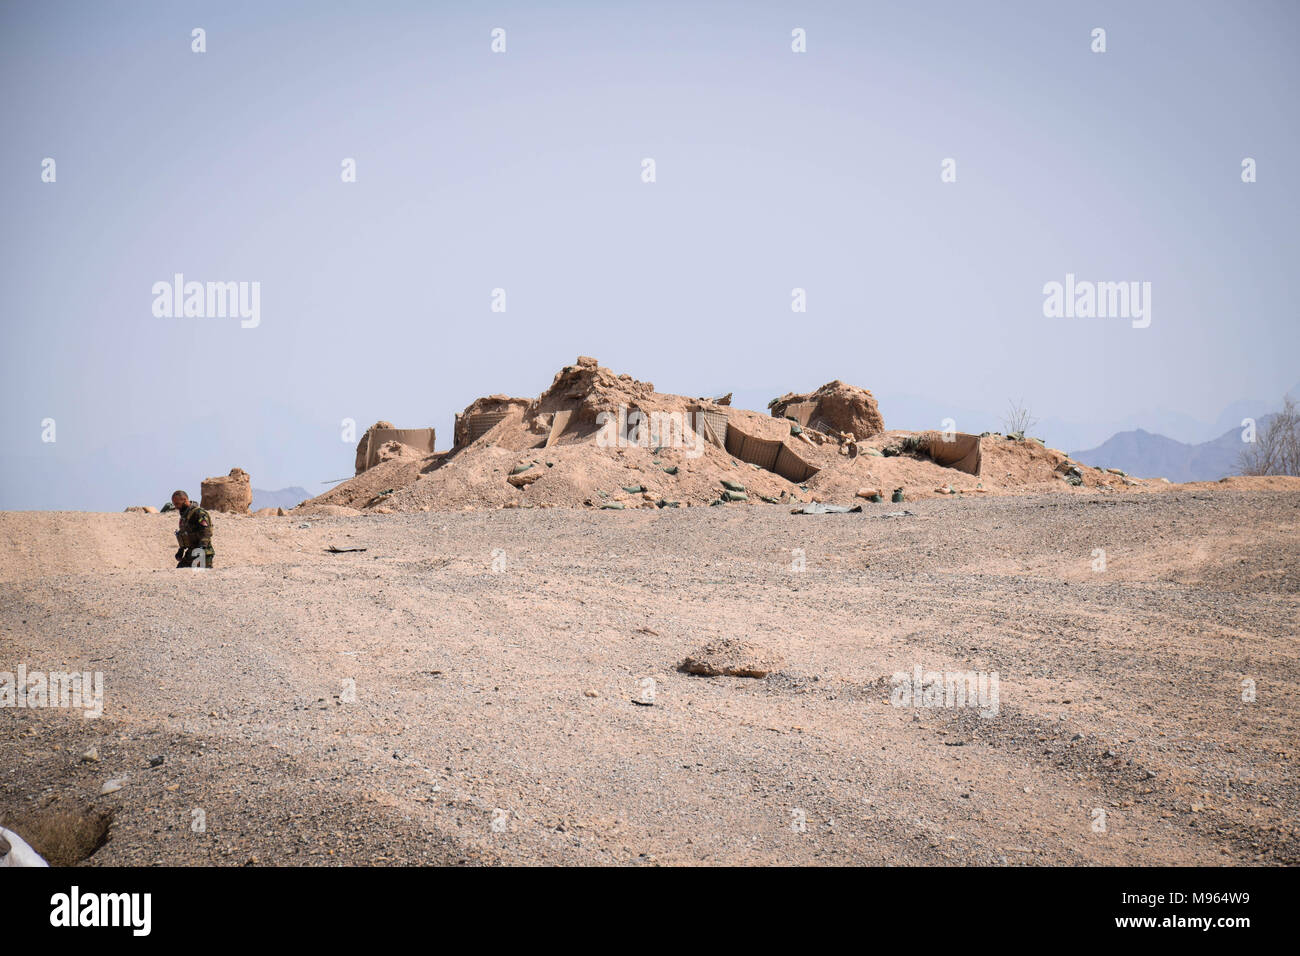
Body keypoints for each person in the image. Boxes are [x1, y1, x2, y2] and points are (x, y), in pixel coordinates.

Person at [170, 490, 214, 568]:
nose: (176, 507)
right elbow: (185, 534)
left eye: (177, 504)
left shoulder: (198, 513)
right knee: (180, 570)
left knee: (200, 576)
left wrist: (201, 548)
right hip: (191, 552)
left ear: (185, 500)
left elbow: (206, 532)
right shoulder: (184, 517)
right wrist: (181, 550)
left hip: (203, 552)